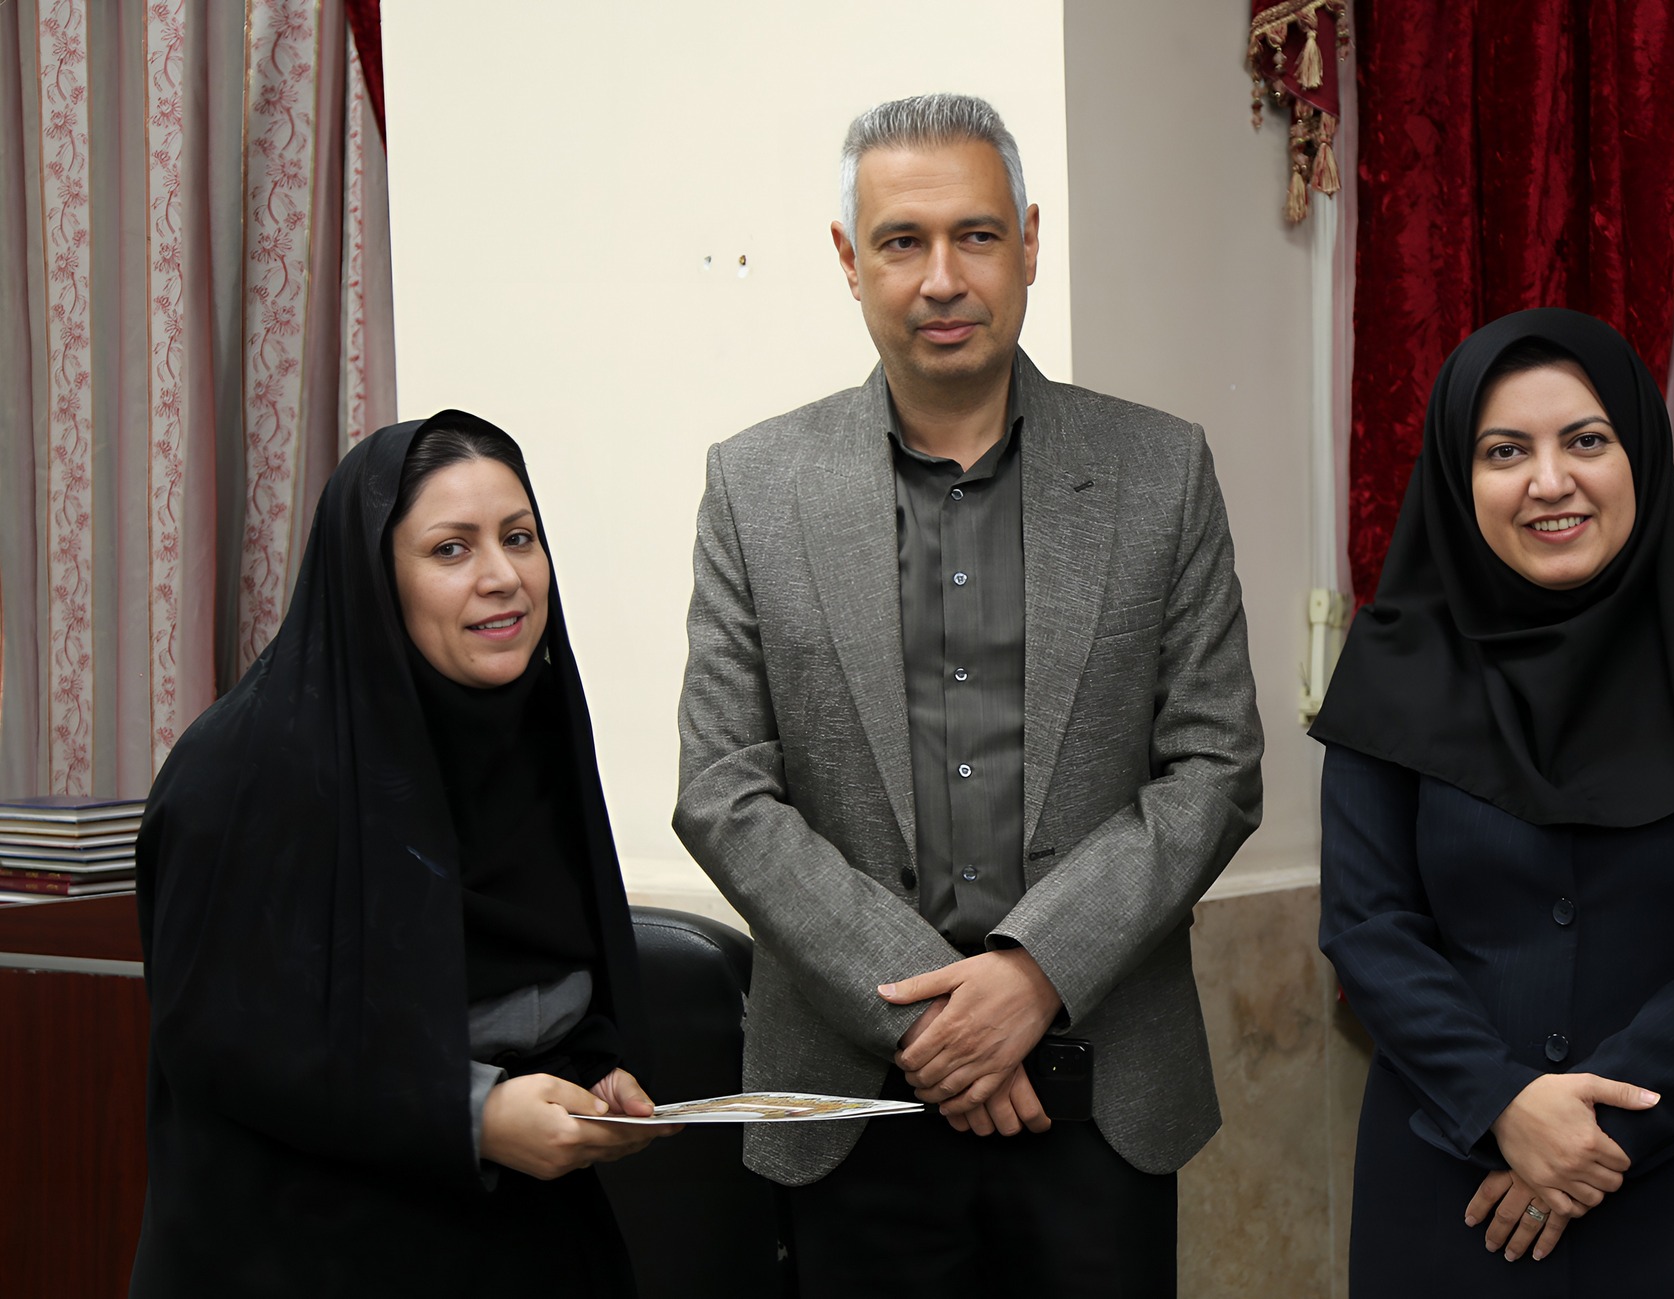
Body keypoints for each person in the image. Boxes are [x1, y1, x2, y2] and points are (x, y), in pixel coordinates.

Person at [673, 92, 1263, 1296]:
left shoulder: (1159, 471)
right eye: (902, 241)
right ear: (849, 260)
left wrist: (1033, 972)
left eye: (976, 236)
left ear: (1028, 243)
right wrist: (934, 1019)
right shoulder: (754, 487)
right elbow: (723, 791)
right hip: (852, 1108)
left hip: (1097, 1099)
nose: (941, 278)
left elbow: (1214, 766)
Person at [1312, 309, 1674, 1297]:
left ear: (1639, 451)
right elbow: (1367, 924)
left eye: (1585, 440)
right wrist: (1503, 1105)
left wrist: (1584, 1136)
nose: (1548, 481)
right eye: (1503, 451)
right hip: (1454, 1182)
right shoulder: (1394, 660)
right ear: (1456, 475)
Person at [132, 411, 675, 1297]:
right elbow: (225, 1042)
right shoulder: (248, 768)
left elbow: (557, 974)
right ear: (374, 576)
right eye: (450, 549)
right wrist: (470, 1114)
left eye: (519, 537)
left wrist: (593, 1069)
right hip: (307, 1248)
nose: (503, 577)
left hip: (522, 1231)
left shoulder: (532, 735)